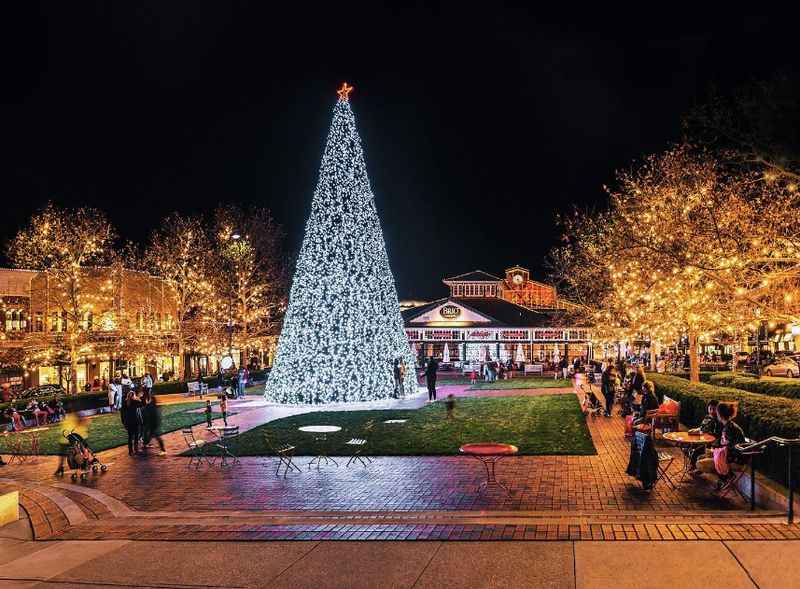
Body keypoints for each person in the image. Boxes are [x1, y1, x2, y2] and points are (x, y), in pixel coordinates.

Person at [697, 402, 746, 487]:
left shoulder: (728, 428)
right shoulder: (728, 425)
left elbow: (727, 449)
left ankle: (725, 477)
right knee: (701, 457)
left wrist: (714, 451)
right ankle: (722, 478)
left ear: (719, 414)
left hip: (733, 459)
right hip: (730, 455)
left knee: (700, 464)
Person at [688, 400, 721, 471]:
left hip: (711, 445)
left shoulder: (718, 421)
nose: (712, 411)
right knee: (689, 446)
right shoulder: (707, 417)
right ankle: (693, 466)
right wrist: (695, 430)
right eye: (710, 409)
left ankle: (694, 467)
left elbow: (715, 435)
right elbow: (702, 428)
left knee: (696, 452)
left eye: (714, 409)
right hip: (702, 440)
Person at [55, 411, 89, 476]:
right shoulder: (70, 414)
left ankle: (84, 465)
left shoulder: (75, 412)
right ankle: (61, 467)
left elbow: (83, 421)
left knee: (80, 451)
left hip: (75, 435)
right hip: (69, 435)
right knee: (65, 452)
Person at [121, 390, 143, 456]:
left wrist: (123, 422)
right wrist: (138, 398)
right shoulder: (135, 402)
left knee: (130, 437)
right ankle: (136, 449)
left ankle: (130, 451)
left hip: (128, 422)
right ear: (133, 396)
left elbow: (122, 414)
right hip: (135, 421)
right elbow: (142, 404)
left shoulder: (124, 403)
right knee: (136, 436)